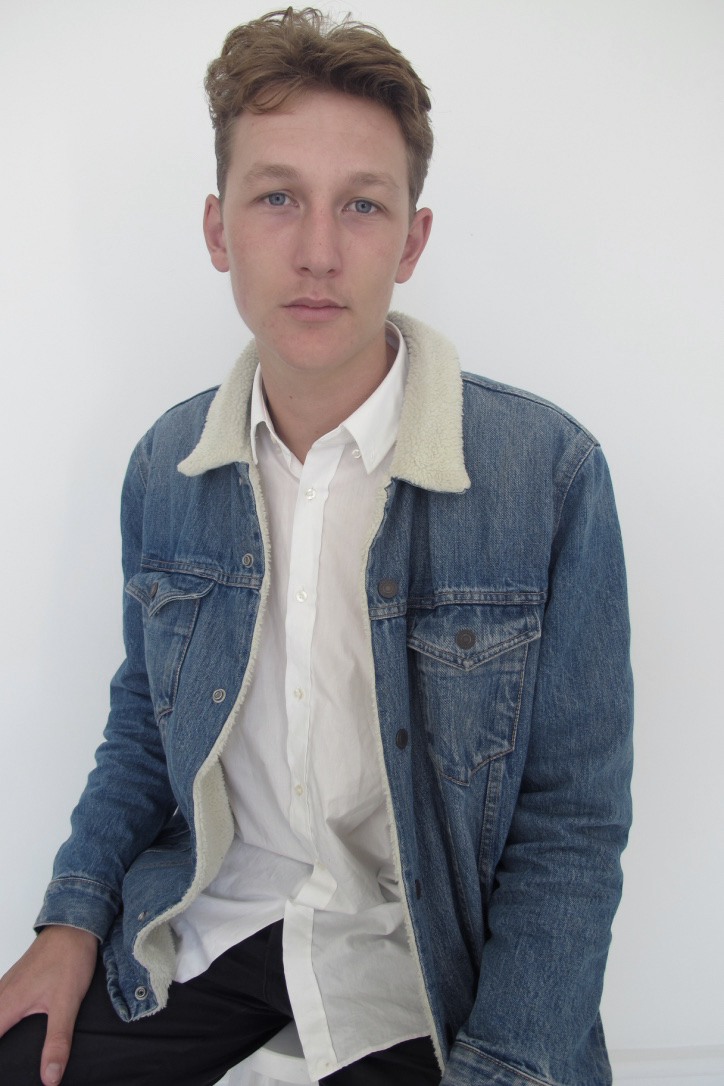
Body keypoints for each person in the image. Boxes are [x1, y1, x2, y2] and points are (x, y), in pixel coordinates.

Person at [0, 8, 633, 1086]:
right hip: (223, 912)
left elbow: (570, 825)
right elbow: (145, 729)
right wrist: (70, 917)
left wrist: (508, 1066)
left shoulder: (548, 475)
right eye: (278, 197)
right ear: (218, 230)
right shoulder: (168, 465)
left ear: (411, 241)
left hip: (423, 962)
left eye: (361, 205)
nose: (318, 253)